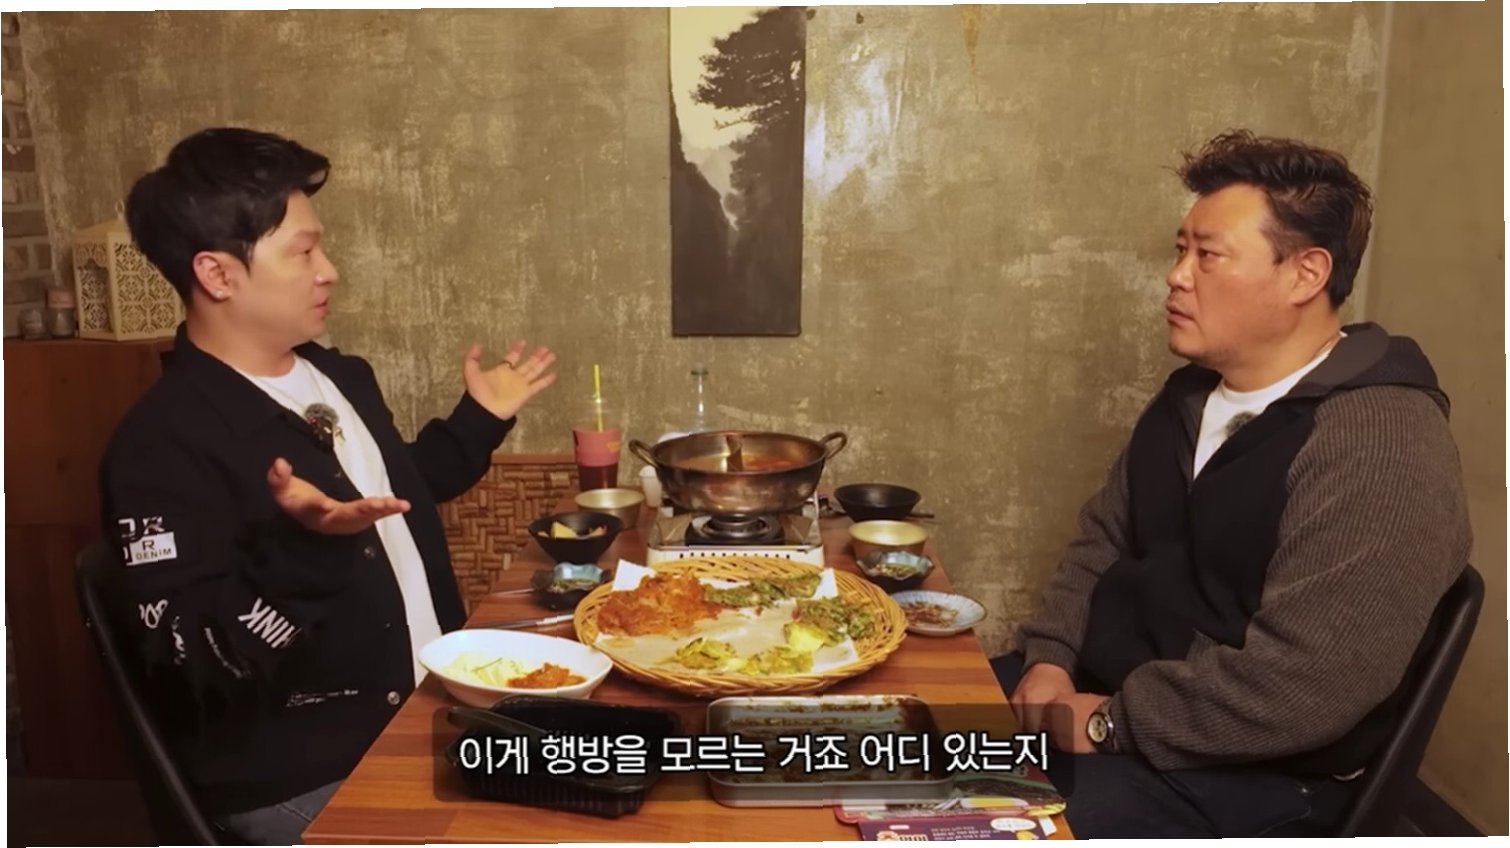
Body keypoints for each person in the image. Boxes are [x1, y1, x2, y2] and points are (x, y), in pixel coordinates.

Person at [994, 130, 1472, 837]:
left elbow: (1308, 683)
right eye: (1180, 249)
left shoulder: (1381, 439)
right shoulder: (1189, 396)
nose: (1176, 276)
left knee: (955, 822)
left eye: (1208, 255)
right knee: (885, 739)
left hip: (1247, 773)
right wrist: (1049, 660)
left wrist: (1106, 723)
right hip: (1104, 702)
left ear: (1305, 274)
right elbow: (1102, 541)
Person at [99, 127, 557, 844]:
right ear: (217, 274)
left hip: (430, 714)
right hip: (309, 772)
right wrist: (304, 549)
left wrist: (478, 420)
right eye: (303, 252)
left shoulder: (338, 377)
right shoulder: (160, 443)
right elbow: (190, 659)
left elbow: (393, 499)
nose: (329, 271)